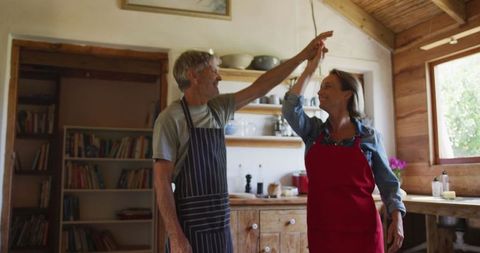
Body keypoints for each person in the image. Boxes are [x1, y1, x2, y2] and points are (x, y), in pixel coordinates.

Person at [152, 31, 333, 253]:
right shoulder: (170, 118)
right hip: (189, 231)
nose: (220, 77)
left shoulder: (217, 108)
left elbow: (261, 86)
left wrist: (304, 56)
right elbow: (162, 183)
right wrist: (175, 236)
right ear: (193, 75)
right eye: (214, 71)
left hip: (220, 225)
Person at [282, 46, 406, 253]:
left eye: (328, 86)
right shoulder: (313, 132)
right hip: (324, 232)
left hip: (364, 233)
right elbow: (290, 108)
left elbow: (388, 183)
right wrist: (310, 69)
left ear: (348, 94)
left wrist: (397, 217)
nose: (320, 92)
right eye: (320, 87)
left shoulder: (369, 136)